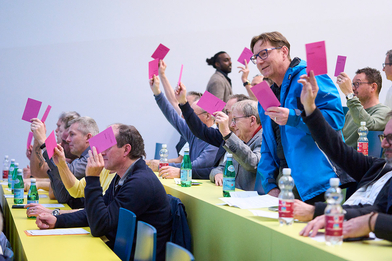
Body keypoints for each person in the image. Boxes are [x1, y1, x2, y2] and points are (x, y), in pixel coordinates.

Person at [35, 124, 172, 261]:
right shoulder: (123, 176)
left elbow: (99, 226)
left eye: (108, 147)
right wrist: (57, 220)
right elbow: (94, 212)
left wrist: (93, 178)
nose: (101, 152)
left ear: (126, 150)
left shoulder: (140, 182)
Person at [296, 70, 392, 241]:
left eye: (390, 139)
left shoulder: (380, 112)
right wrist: (310, 108)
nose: (384, 144)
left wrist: (317, 211)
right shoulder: (380, 167)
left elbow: (377, 210)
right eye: (384, 137)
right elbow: (336, 148)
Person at [250, 31, 345, 204]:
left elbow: (335, 120)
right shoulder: (266, 95)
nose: (259, 61)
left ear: (284, 51)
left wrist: (294, 117)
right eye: (255, 57)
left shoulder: (309, 76)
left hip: (321, 183)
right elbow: (268, 142)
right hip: (286, 185)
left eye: (264, 53)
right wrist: (270, 184)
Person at [176, 84, 262, 192]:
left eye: (230, 114)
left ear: (252, 120)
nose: (226, 117)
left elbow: (253, 164)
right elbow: (220, 167)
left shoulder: (262, 138)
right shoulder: (238, 136)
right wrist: (217, 173)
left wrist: (227, 134)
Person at [149, 75, 219, 179]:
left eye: (192, 115)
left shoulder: (216, 138)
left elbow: (197, 165)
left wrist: (163, 166)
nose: (188, 118)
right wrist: (157, 92)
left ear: (208, 115)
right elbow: (172, 116)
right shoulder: (194, 132)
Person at [337, 67, 390, 149]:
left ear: (373, 87)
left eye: (357, 84)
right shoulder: (351, 112)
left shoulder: (385, 112)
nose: (353, 88)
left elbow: (367, 126)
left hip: (361, 160)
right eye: (352, 84)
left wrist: (350, 95)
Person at [29, 111, 80, 178]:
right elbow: (38, 173)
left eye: (59, 127)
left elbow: (64, 182)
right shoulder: (62, 150)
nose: (56, 130)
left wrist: (43, 141)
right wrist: (37, 138)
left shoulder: (77, 154)